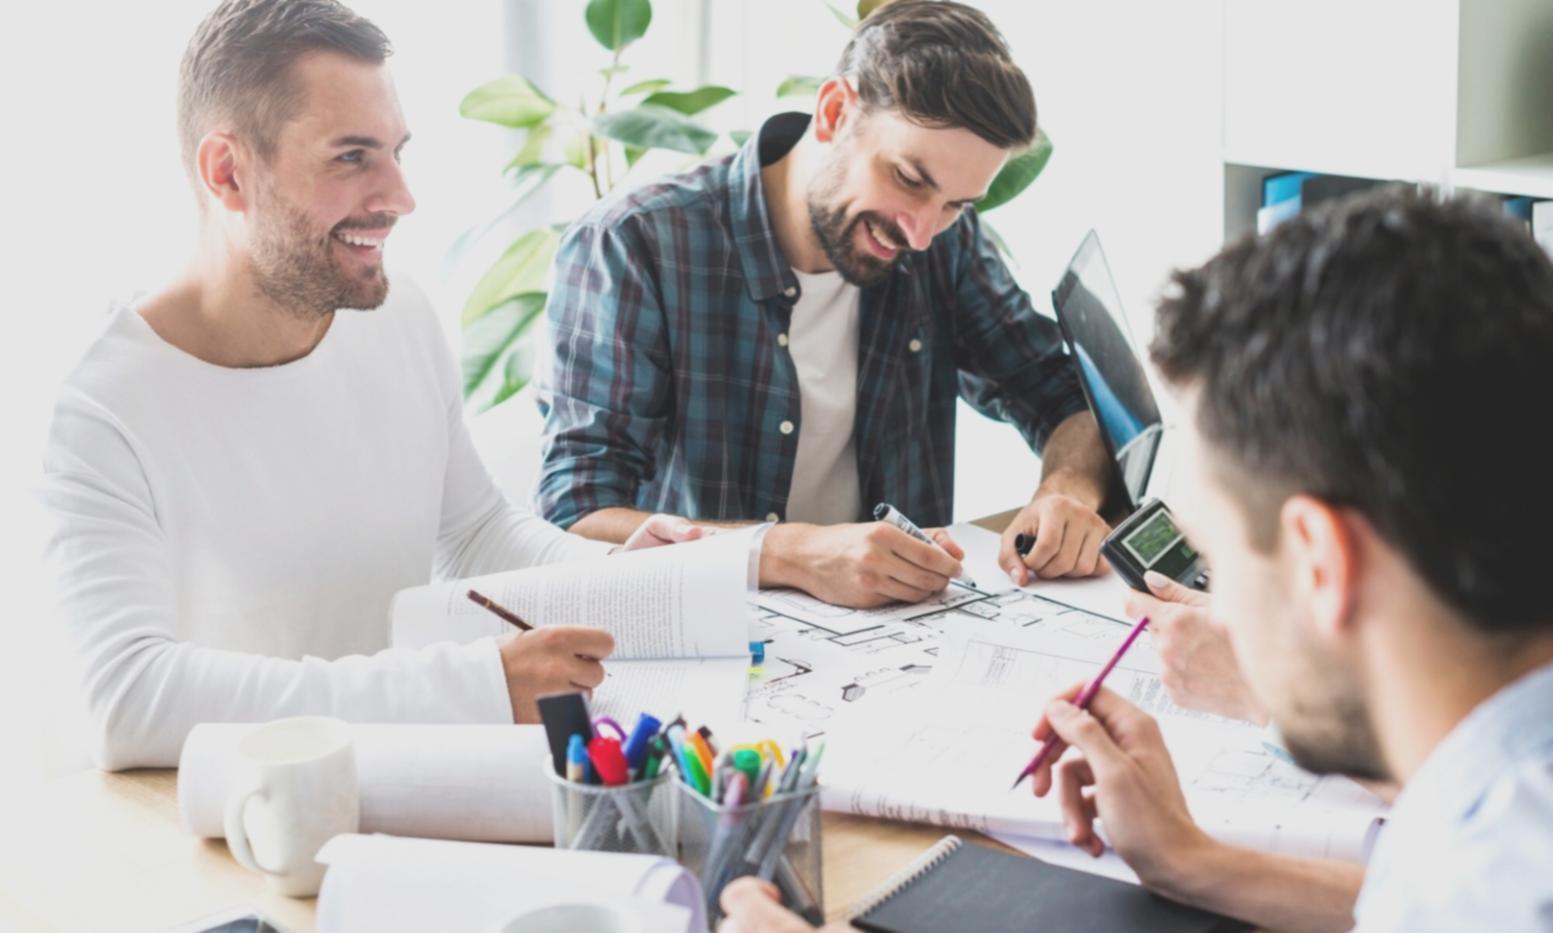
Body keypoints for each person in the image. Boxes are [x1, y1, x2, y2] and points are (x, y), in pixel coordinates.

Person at [720, 188, 1553, 930]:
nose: (1213, 608)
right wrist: (1193, 860)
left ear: (1321, 563)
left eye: (1221, 558)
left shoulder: (1496, 880)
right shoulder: (1487, 821)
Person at [39, 0, 701, 771]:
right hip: (228, 825)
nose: (400, 195)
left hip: (398, 786)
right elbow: (125, 698)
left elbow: (475, 533)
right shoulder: (102, 407)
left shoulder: (400, 315)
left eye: (395, 151)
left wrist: (624, 579)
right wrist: (471, 686)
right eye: (351, 157)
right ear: (228, 172)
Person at [536, 0, 1115, 609]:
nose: (919, 233)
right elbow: (574, 514)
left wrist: (1068, 490)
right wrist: (789, 553)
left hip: (903, 645)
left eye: (955, 205)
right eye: (909, 179)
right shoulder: (635, 243)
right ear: (835, 111)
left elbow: (1063, 393)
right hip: (708, 642)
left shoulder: (941, 246)